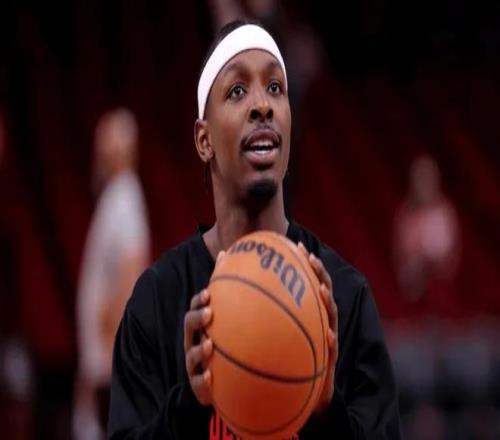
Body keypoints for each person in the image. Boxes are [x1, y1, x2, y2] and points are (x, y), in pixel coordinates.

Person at [108, 21, 400, 439]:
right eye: (237, 91)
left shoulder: (342, 295)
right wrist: (189, 405)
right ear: (204, 140)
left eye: (275, 88)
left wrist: (326, 409)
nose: (262, 105)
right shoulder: (157, 300)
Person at [74, 108, 150, 439]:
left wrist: (112, 356)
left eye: (106, 142)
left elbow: (131, 273)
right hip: (100, 365)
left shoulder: (125, 199)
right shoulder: (115, 196)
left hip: (109, 368)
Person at [393, 153, 460, 309]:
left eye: (427, 178)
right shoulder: (405, 215)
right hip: (411, 295)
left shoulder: (445, 213)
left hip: (442, 296)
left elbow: (450, 260)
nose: (423, 185)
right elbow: (399, 256)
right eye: (419, 179)